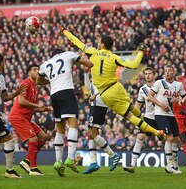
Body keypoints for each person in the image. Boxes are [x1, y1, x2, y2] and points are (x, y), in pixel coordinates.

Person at [59, 25, 166, 169]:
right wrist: (140, 52)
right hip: (118, 88)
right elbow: (134, 64)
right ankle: (146, 122)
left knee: (128, 116)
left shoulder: (93, 53)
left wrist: (65, 31)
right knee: (133, 109)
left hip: (106, 93)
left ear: (102, 44)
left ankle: (154, 131)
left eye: (99, 42)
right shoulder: (114, 57)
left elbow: (78, 42)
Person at [38, 48, 93, 177]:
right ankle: (70, 158)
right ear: (61, 52)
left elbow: (37, 81)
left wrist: (51, 80)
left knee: (60, 129)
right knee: (73, 124)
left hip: (54, 95)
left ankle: (58, 161)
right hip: (66, 91)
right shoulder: (68, 54)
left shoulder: (45, 64)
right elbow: (89, 64)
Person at [9, 64, 51, 176]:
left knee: (43, 136)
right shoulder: (25, 83)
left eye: (38, 69)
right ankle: (33, 168)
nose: (37, 71)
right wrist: (37, 106)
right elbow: (21, 101)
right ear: (29, 73)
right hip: (18, 116)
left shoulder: (35, 87)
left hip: (26, 117)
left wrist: (43, 109)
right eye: (34, 69)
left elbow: (31, 107)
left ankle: (26, 161)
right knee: (33, 138)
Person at [147, 65, 184, 174]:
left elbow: (185, 99)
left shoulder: (179, 85)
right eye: (165, 71)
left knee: (177, 139)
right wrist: (160, 104)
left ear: (174, 72)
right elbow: (150, 96)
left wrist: (178, 100)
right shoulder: (159, 83)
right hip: (160, 114)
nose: (167, 72)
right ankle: (169, 165)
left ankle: (175, 166)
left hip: (171, 115)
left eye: (169, 71)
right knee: (170, 137)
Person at [82, 68, 119, 174]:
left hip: (99, 104)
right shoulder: (94, 76)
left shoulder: (102, 74)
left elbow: (107, 87)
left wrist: (96, 95)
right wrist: (86, 74)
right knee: (91, 135)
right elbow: (89, 87)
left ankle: (112, 155)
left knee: (91, 133)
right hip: (95, 105)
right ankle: (93, 162)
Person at [123, 67, 158, 173]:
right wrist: (132, 116)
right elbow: (138, 105)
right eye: (146, 74)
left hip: (161, 116)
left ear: (154, 75)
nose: (147, 76)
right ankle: (132, 165)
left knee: (169, 139)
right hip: (149, 117)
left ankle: (173, 165)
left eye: (149, 73)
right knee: (140, 137)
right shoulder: (142, 89)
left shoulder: (160, 85)